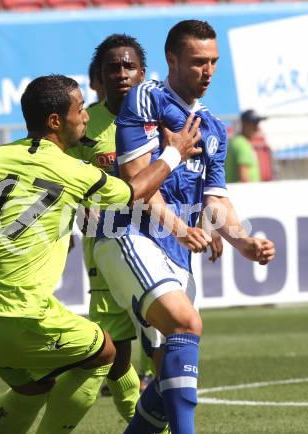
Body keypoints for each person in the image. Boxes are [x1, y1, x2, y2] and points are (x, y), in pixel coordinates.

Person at [0, 74, 202, 434]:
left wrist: (1, 236)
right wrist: (174, 152)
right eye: (79, 110)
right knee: (104, 351)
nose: (86, 117)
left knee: (33, 387)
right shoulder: (72, 170)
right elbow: (134, 192)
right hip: (18, 312)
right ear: (55, 121)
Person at [93, 20, 276, 434]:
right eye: (197, 62)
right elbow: (137, 181)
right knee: (186, 323)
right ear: (171, 60)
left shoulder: (213, 126)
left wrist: (243, 240)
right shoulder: (147, 98)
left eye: (213, 62)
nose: (207, 71)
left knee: (172, 371)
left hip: (174, 251)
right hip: (129, 234)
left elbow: (216, 200)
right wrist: (178, 226)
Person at [68, 33, 149, 423]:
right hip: (105, 243)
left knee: (169, 335)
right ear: (98, 78)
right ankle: (141, 418)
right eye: (112, 68)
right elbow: (59, 178)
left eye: (128, 66)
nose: (121, 73)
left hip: (158, 238)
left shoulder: (159, 119)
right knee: (112, 348)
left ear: (142, 72)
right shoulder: (83, 128)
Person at [225, 109, 267, 183]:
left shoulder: (239, 141)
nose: (256, 127)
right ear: (243, 124)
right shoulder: (241, 144)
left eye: (257, 123)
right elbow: (244, 176)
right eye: (253, 123)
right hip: (246, 192)